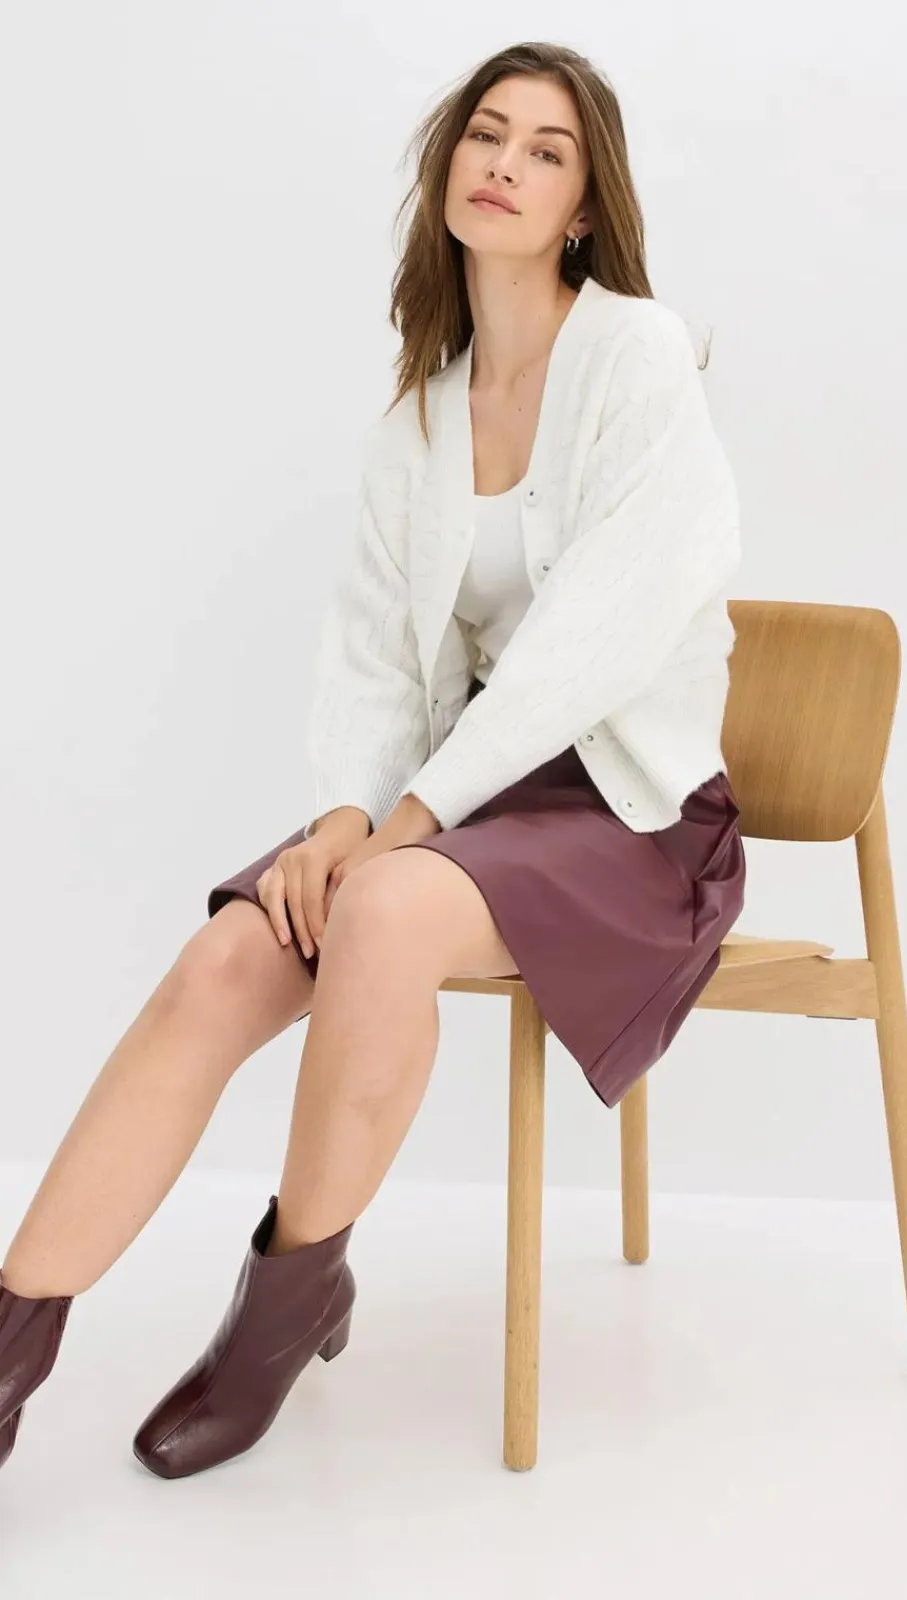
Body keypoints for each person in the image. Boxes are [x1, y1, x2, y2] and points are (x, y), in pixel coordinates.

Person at [0, 41, 746, 1481]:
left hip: (632, 818)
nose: (504, 165)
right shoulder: (419, 415)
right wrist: (344, 813)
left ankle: (282, 1308)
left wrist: (400, 827)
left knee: (386, 908)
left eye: (545, 151)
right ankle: (11, 1343)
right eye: (486, 134)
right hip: (464, 806)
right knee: (232, 952)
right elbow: (372, 658)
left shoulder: (638, 358)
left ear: (584, 207)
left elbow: (590, 645)